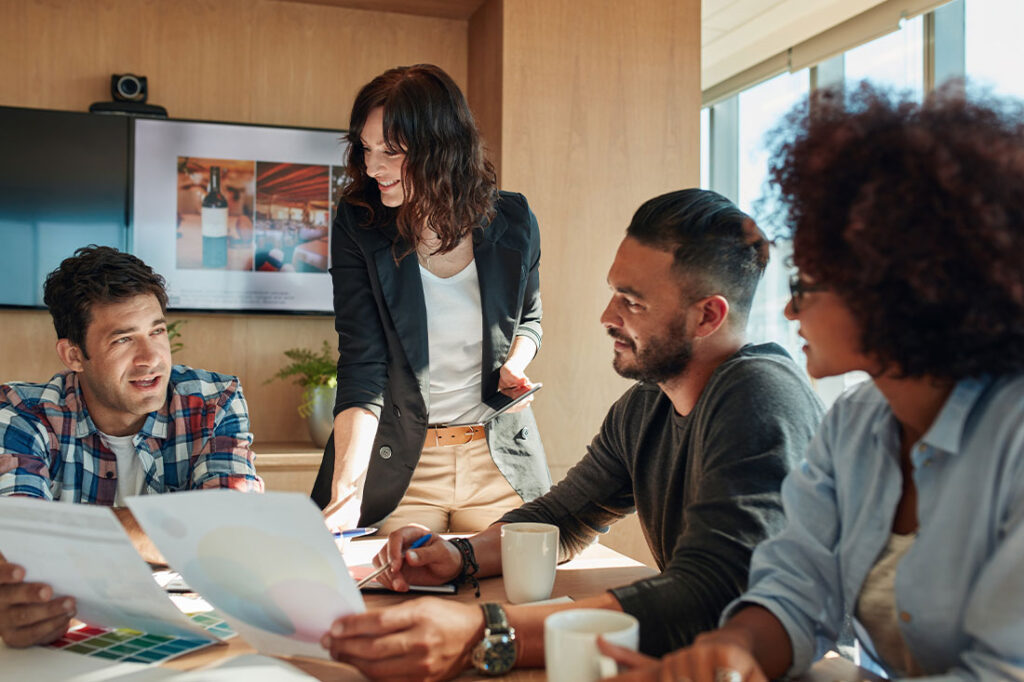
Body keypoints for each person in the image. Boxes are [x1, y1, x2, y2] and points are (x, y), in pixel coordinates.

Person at [602, 83, 1024, 682]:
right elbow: (796, 592)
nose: (791, 313)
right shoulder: (857, 425)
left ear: (901, 294)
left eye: (807, 286)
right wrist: (733, 652)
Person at [320, 189, 825, 680]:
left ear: (707, 316)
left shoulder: (759, 396)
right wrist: (460, 556)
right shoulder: (647, 405)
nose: (608, 317)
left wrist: (483, 631)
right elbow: (561, 517)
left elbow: (711, 594)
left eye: (632, 302)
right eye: (614, 293)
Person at [311, 64, 550, 535]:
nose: (373, 166)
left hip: (499, 459)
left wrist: (517, 363)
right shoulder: (359, 223)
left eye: (391, 152)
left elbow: (530, 320)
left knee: (524, 592)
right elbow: (362, 365)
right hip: (404, 464)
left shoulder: (514, 218)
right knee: (396, 591)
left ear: (442, 148)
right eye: (366, 148)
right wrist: (346, 491)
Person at [0, 245, 263, 648]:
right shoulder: (22, 414)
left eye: (157, 332)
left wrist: (61, 539)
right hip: (69, 642)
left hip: (195, 636)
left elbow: (231, 530)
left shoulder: (214, 400)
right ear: (74, 355)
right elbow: (19, 549)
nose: (151, 359)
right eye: (123, 340)